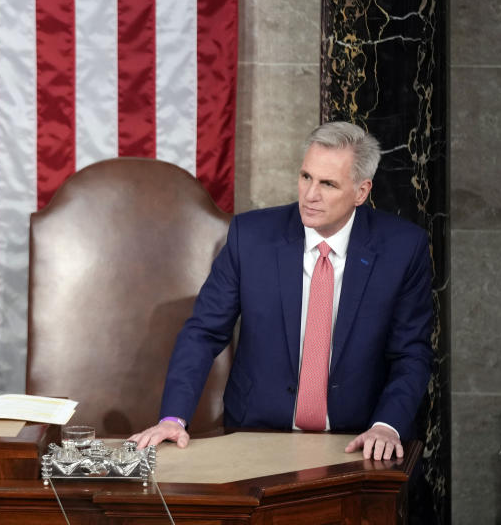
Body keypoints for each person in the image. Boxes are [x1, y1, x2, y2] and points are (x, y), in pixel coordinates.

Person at [130, 121, 433, 461]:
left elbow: (411, 353)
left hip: (357, 440)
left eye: (328, 184)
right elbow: (203, 332)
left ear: (361, 191)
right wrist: (173, 417)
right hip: (257, 432)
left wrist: (386, 425)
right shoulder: (251, 236)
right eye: (306, 177)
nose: (310, 195)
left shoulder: (403, 248)